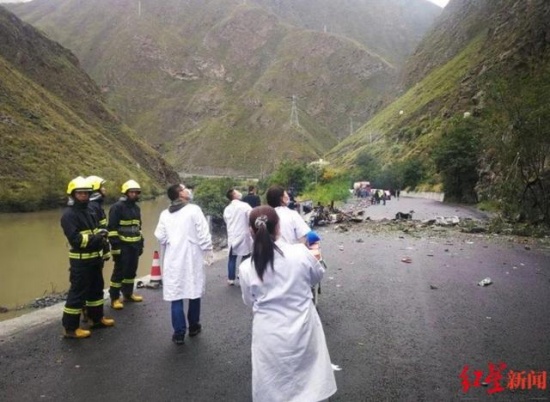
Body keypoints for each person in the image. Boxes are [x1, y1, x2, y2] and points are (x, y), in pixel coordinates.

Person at [239, 206, 337, 401]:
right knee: (309, 377)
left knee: (272, 380)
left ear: (251, 231)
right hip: (303, 325)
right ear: (279, 228)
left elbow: (249, 300)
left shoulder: (246, 267)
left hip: (268, 333)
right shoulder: (300, 253)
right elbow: (317, 276)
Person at [154, 184, 213, 345]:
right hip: (191, 257)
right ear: (180, 194)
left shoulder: (165, 214)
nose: (188, 190)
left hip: (173, 259)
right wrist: (207, 250)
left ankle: (179, 333)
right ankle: (194, 326)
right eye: (184, 188)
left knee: (176, 295)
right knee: (193, 290)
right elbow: (203, 232)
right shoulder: (193, 210)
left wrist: (173, 241)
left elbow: (160, 236)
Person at [60, 176, 115, 338]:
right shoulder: (68, 215)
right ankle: (70, 329)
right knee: (77, 295)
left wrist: (104, 248)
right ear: (73, 194)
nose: (84, 195)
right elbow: (77, 241)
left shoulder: (90, 211)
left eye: (86, 193)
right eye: (80, 193)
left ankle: (96, 319)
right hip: (80, 262)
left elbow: (100, 232)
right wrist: (98, 238)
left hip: (95, 260)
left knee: (96, 291)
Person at [108, 179, 144, 309]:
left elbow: (138, 227)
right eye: (132, 192)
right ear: (126, 192)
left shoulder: (136, 208)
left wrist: (141, 244)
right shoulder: (117, 207)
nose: (134, 194)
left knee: (131, 272)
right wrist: (116, 247)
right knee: (119, 273)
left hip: (134, 245)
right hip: (122, 246)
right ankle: (114, 298)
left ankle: (128, 294)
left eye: (136, 192)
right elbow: (111, 229)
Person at [223, 188, 253, 285]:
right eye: (236, 192)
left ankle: (231, 279)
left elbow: (226, 221)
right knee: (246, 255)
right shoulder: (245, 206)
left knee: (232, 258)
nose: (239, 193)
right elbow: (251, 217)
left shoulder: (227, 209)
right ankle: (241, 274)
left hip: (232, 235)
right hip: (244, 234)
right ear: (234, 195)